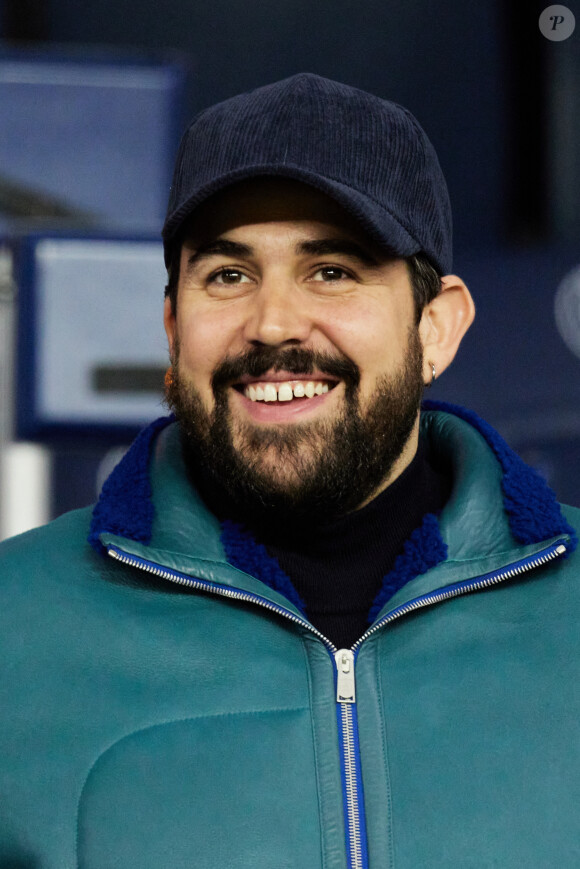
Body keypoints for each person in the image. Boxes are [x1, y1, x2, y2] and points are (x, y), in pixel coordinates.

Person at [0, 73, 578, 869]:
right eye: (228, 276)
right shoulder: (16, 626)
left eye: (333, 270)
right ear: (172, 328)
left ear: (435, 327)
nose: (272, 323)